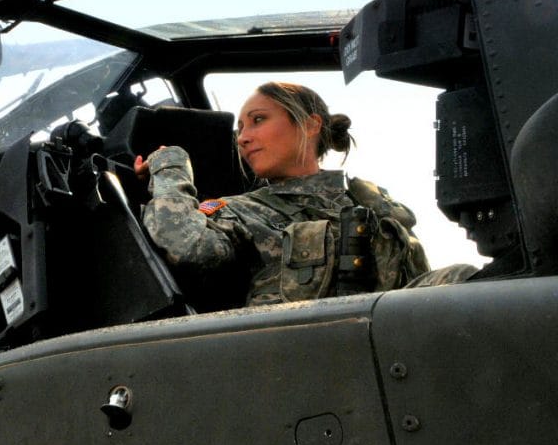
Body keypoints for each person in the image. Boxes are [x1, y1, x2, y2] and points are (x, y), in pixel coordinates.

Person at [135, 81, 476, 308]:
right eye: (240, 129)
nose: (243, 138)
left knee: (475, 282)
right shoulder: (242, 211)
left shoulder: (372, 204)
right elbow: (187, 247)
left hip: (390, 338)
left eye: (257, 120)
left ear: (311, 125)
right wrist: (170, 168)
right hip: (300, 355)